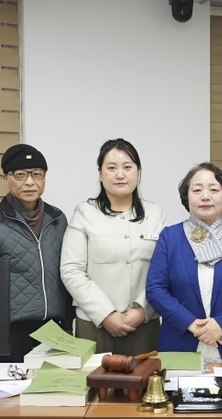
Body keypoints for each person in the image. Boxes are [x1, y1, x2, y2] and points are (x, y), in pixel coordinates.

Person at [146, 162, 222, 363]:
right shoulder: (170, 237)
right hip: (181, 342)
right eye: (197, 190)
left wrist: (221, 324)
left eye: (213, 189)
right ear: (187, 197)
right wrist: (192, 324)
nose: (205, 196)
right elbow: (155, 289)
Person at [60, 138, 166, 356]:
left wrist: (142, 310)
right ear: (100, 173)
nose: (120, 174)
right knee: (95, 379)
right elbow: (71, 270)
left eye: (127, 167)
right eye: (111, 168)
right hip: (94, 323)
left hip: (144, 324)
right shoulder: (84, 213)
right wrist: (106, 314)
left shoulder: (156, 214)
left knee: (146, 377)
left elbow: (165, 271)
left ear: (138, 172)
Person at [0, 144, 73, 363]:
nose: (30, 182)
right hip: (9, 333)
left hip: (54, 330)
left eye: (37, 174)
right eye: (20, 175)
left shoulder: (58, 219)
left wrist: (68, 326)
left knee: (55, 385)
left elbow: (67, 275)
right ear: (5, 179)